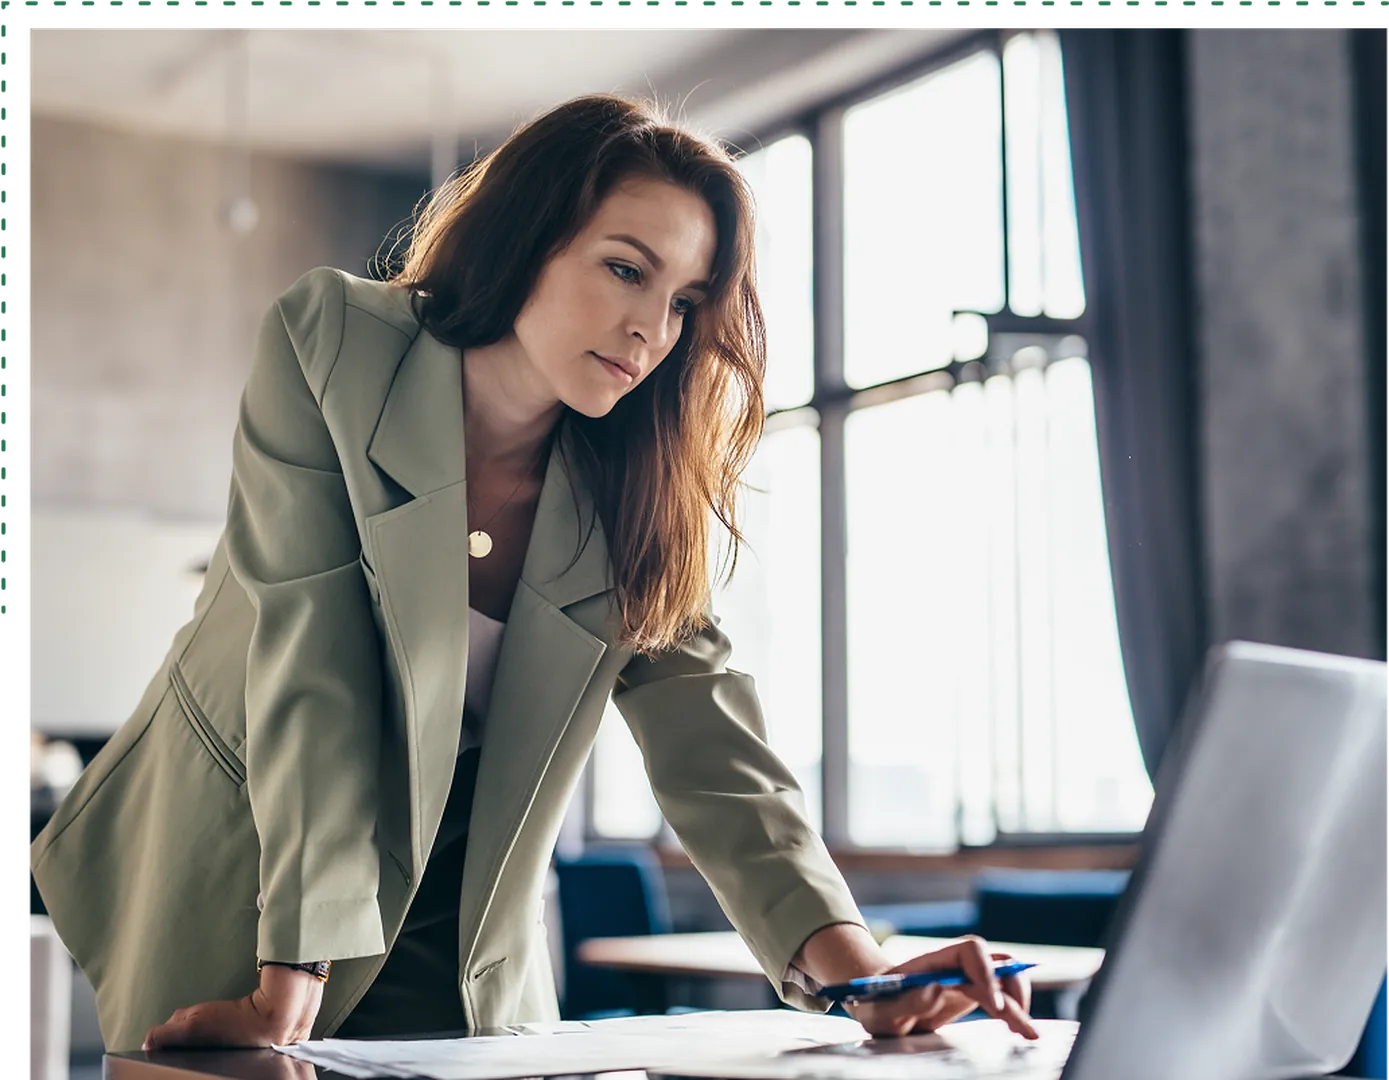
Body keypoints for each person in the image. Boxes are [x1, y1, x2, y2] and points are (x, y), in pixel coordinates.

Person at [29, 94, 1038, 1054]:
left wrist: (860, 975)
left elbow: (714, 745)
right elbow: (312, 662)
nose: (653, 328)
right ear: (526, 237)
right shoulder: (332, 342)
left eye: (685, 301)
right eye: (626, 268)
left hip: (469, 935)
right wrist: (290, 978)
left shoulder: (638, 488)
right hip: (253, 891)